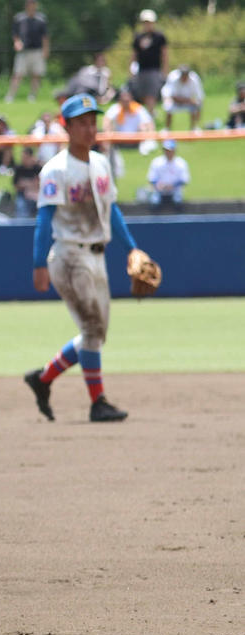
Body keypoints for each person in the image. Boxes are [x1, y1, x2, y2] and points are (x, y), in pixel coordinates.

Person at [24, 93, 145, 424]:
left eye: (93, 122)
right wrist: (38, 265)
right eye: (82, 123)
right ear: (66, 127)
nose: (90, 129)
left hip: (97, 255)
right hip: (68, 257)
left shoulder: (101, 163)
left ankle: (43, 379)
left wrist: (132, 247)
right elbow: (43, 220)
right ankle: (98, 403)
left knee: (96, 333)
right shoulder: (55, 170)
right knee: (92, 328)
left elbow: (112, 211)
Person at [101, 85, 155, 180]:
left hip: (136, 139)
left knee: (143, 126)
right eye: (123, 99)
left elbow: (149, 123)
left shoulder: (138, 108)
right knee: (108, 131)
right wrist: (108, 131)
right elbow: (106, 120)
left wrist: (150, 135)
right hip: (119, 139)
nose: (125, 101)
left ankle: (145, 146)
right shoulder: (116, 108)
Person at [5, 0, 49, 103]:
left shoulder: (41, 19)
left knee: (36, 74)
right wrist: (17, 42)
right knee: (18, 74)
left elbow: (45, 37)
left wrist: (46, 50)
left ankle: (32, 96)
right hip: (23, 51)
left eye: (33, 3)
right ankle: (10, 96)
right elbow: (15, 34)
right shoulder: (19, 18)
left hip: (37, 51)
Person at [130, 9, 168, 111]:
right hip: (141, 70)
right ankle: (147, 116)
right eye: (145, 22)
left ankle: (150, 118)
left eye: (149, 22)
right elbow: (134, 55)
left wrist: (164, 71)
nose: (147, 25)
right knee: (141, 96)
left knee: (151, 95)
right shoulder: (138, 37)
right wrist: (131, 70)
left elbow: (164, 55)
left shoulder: (159, 37)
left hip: (154, 70)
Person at [145, 138, 190, 210]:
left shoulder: (181, 163)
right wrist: (158, 184)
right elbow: (151, 178)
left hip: (175, 191)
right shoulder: (157, 162)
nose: (168, 152)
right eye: (166, 150)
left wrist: (173, 185)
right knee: (154, 201)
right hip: (159, 191)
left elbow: (184, 180)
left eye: (170, 150)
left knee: (178, 200)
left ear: (174, 150)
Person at [160, 65, 205, 131]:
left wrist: (198, 107)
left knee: (196, 105)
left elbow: (200, 96)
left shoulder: (194, 79)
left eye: (185, 75)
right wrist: (189, 100)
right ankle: (167, 129)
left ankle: (194, 128)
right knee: (168, 106)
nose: (184, 77)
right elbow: (171, 96)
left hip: (188, 102)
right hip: (174, 102)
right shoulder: (173, 78)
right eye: (183, 75)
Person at [11, 146, 42, 219]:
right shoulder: (19, 168)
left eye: (25, 157)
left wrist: (27, 185)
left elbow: (40, 184)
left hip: (37, 194)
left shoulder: (38, 168)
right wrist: (30, 185)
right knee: (20, 205)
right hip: (22, 194)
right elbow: (16, 185)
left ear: (31, 157)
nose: (23, 159)